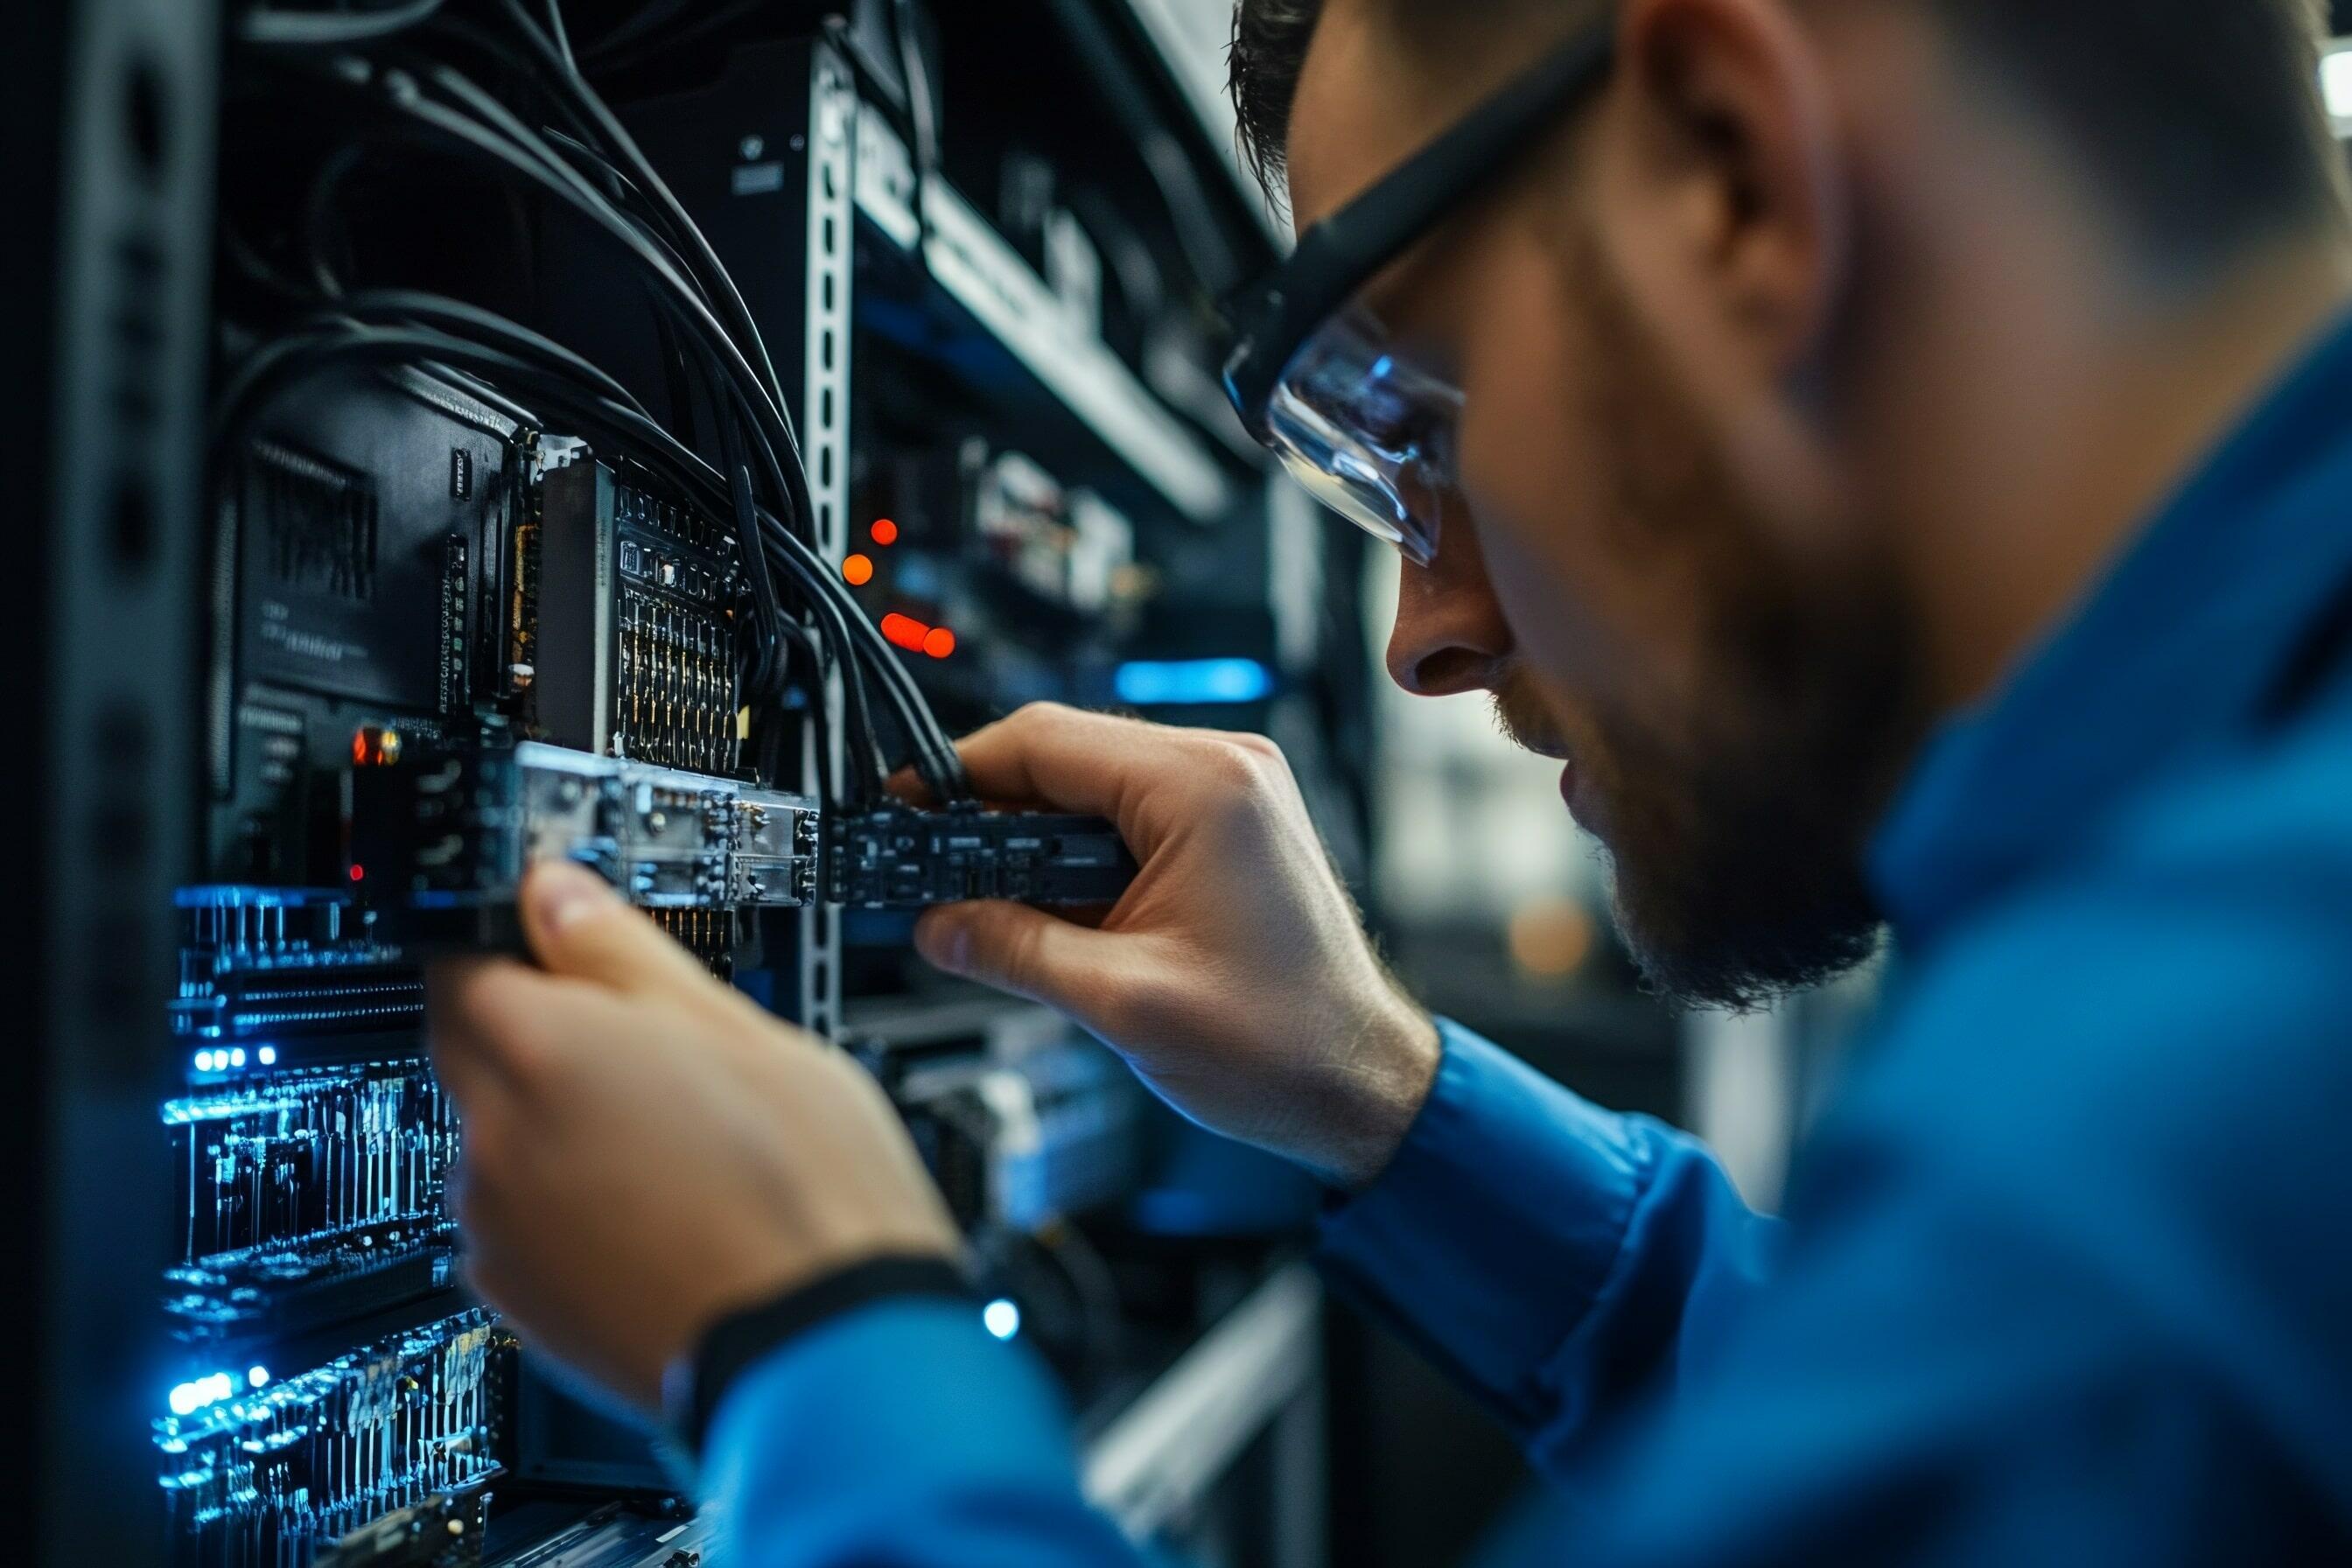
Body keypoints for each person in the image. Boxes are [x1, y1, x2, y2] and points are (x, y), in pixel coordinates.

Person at [426, 0, 2352, 1558]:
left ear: (1731, 178)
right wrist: (1388, 1093)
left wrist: (806, 1352)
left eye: (1407, 419)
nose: (1418, 634)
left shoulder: (2185, 1141)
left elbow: (2072, 1346)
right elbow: (1950, 1396)